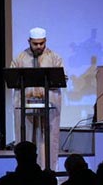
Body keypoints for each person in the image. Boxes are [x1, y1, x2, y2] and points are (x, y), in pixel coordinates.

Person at [11, 26, 64, 171]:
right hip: (26, 103)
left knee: (47, 137)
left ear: (45, 41)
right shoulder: (20, 58)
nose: (39, 46)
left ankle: (48, 170)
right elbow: (12, 79)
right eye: (35, 44)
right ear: (29, 41)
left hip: (48, 103)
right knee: (26, 135)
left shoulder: (54, 57)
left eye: (42, 43)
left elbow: (60, 79)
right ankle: (25, 169)